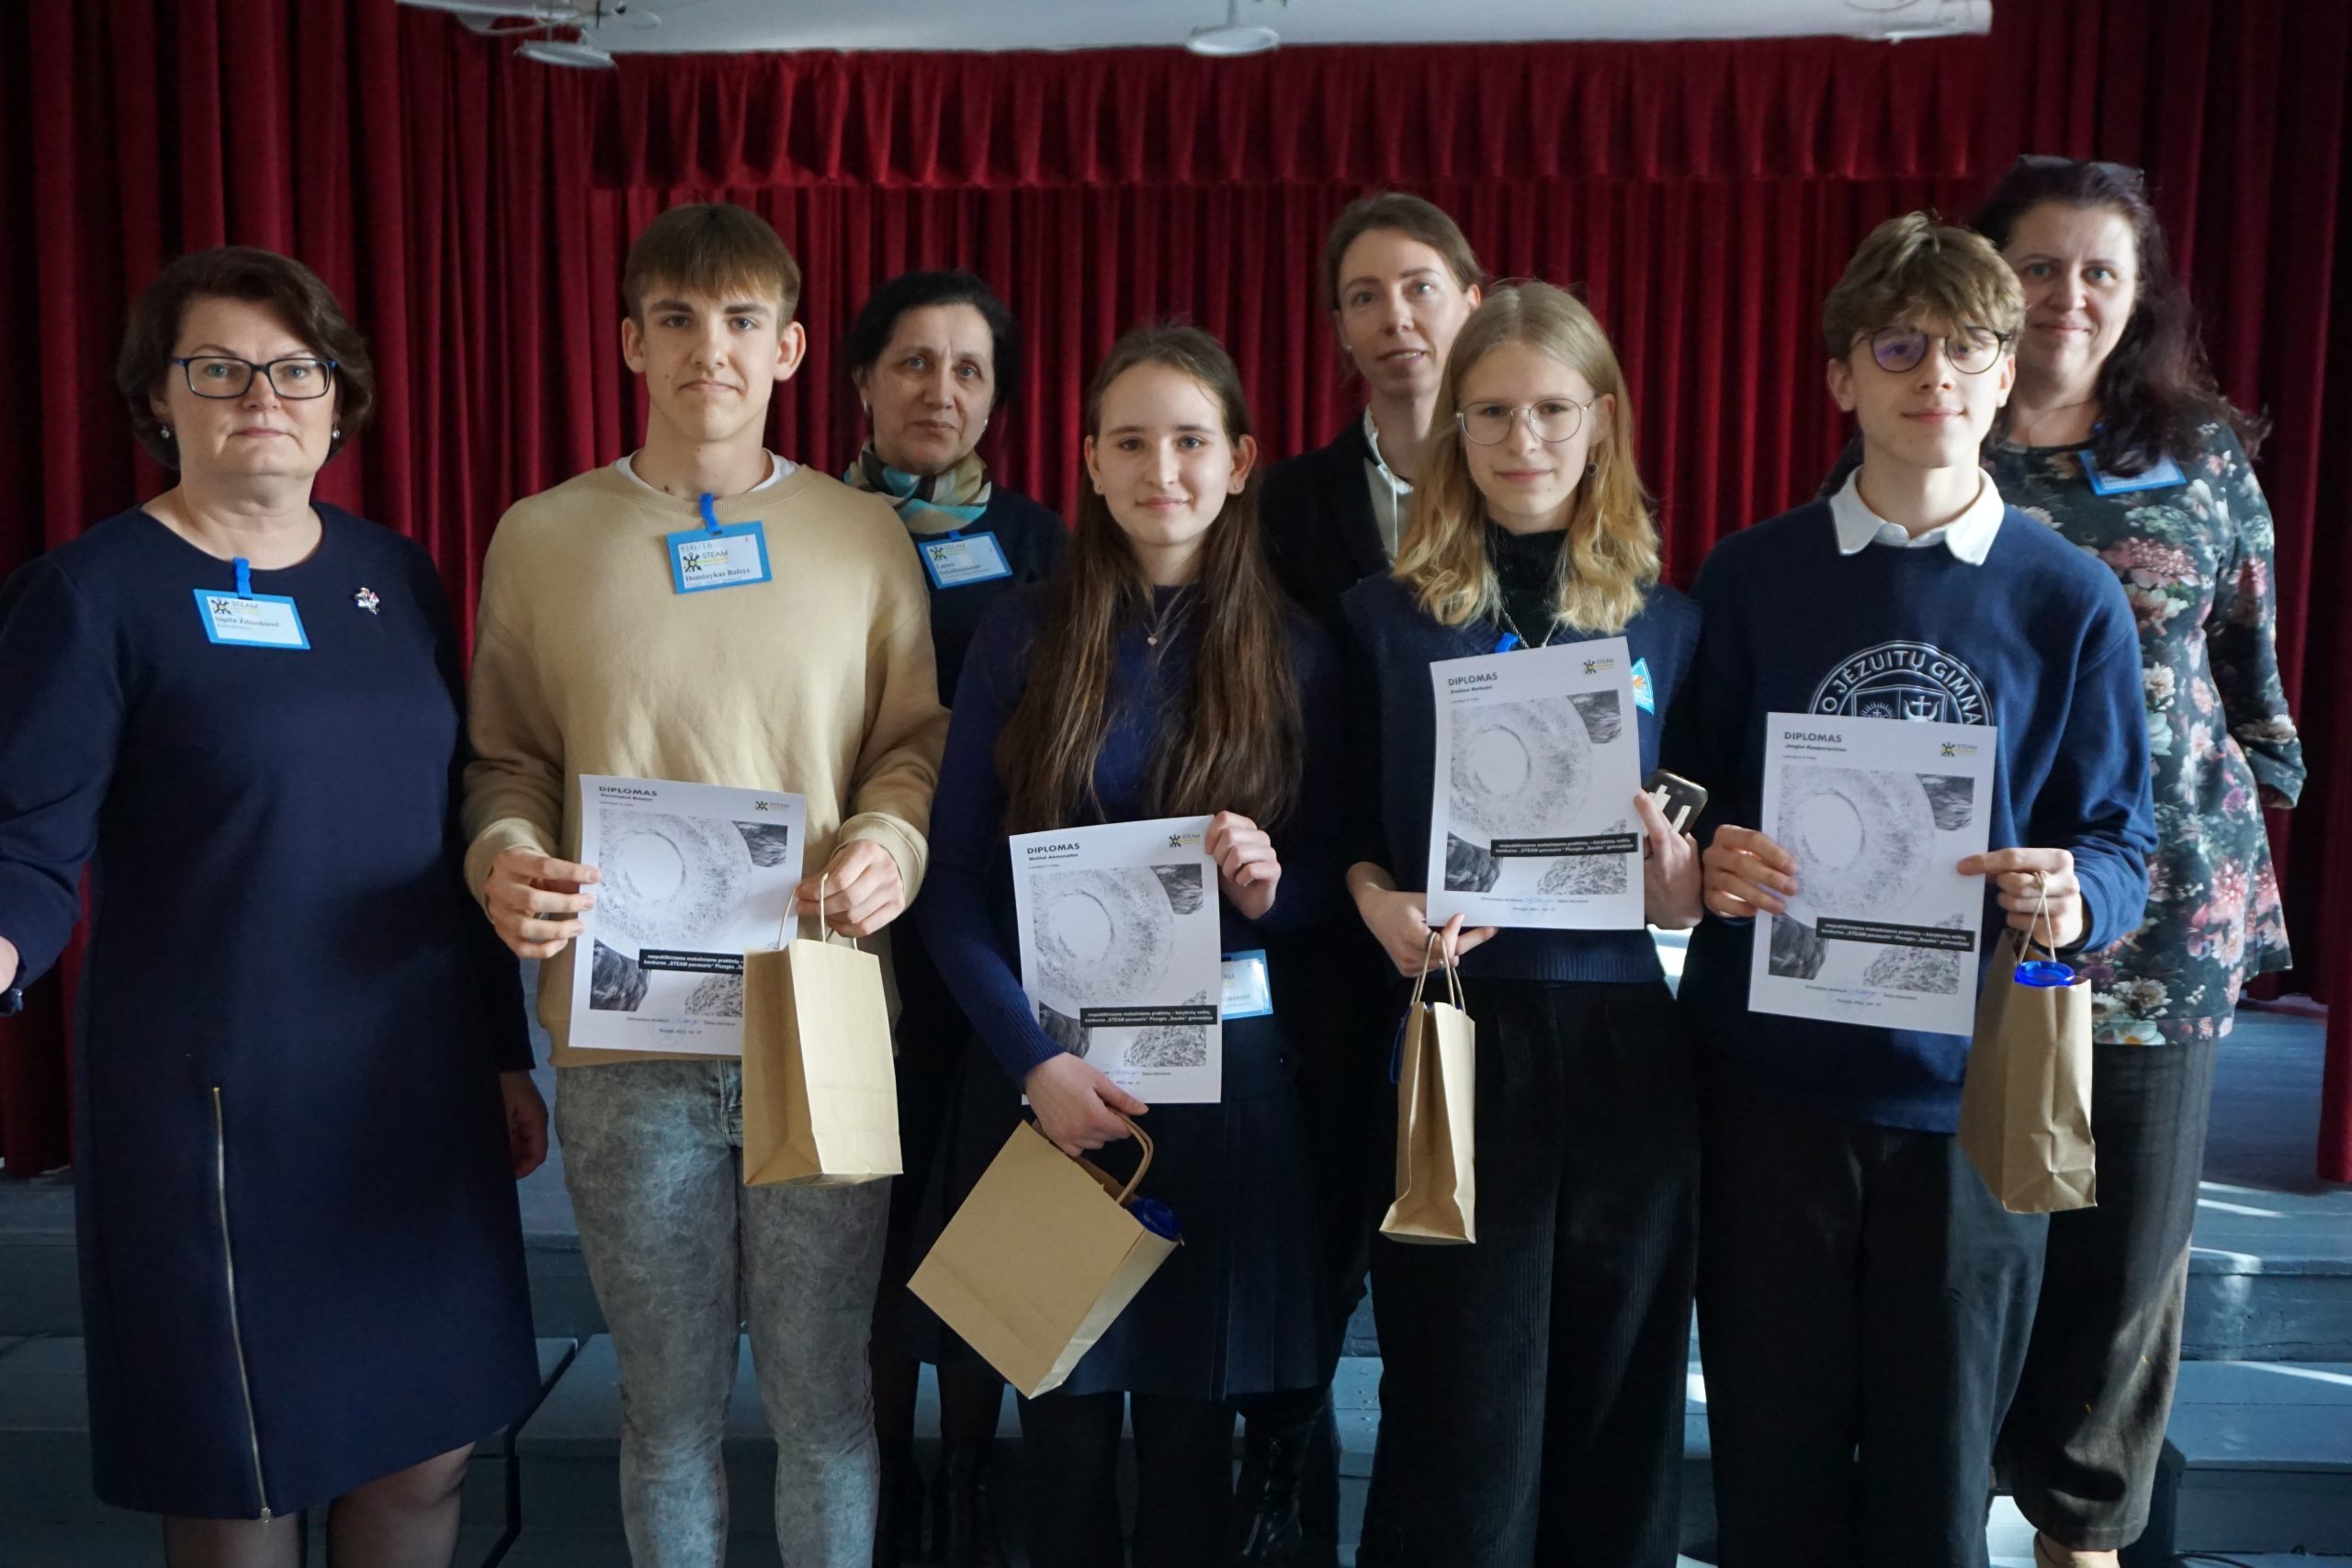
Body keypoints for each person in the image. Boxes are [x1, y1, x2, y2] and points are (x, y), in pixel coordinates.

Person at [0, 246, 543, 1567]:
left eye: (296, 370)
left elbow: (450, 827)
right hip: (218, 1106)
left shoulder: (395, 575)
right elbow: (28, 842)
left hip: (413, 1081)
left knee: (426, 1452)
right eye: (219, 368)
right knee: (243, 1475)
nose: (262, 396)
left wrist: (500, 1054)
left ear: (339, 400)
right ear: (158, 397)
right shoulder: (94, 594)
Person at [1667, 212, 2157, 1568]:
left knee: (1938, 1493)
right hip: (1770, 1090)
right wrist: (1710, 860)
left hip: (1971, 1102)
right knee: (1772, 1477)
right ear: (1842, 376)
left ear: (2006, 376)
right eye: (1898, 346)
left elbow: (2121, 844)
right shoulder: (1752, 575)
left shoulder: (2070, 598)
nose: (1934, 372)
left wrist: (2073, 896)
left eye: (1968, 347)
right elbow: (1684, 795)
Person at [461, 202, 948, 1568]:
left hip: (819, 1020)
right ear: (630, 341)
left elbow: (910, 746)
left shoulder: (863, 534)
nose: (708, 350)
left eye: (741, 320)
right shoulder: (543, 537)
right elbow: (506, 759)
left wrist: (890, 844)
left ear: (789, 347)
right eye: (676, 319)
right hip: (628, 1043)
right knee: (666, 1415)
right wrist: (503, 857)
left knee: (826, 1407)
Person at [916, 324, 1342, 1568]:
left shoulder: (1299, 651)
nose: (1164, 469)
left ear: (1241, 462)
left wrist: (1272, 886)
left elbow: (1328, 891)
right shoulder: (1020, 635)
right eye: (1133, 442)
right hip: (1052, 1085)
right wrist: (1033, 1066)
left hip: (1225, 1096)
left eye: (1192, 441)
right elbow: (955, 889)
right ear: (1091, 464)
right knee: (1060, 1450)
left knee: (1191, 1460)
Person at [1970, 155, 2305, 1568]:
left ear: (2139, 292)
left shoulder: (2200, 448)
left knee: (2131, 1255)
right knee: (1977, 1232)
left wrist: (2241, 801)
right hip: (1976, 905)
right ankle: (1948, 1487)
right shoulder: (1934, 435)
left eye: (2101, 270)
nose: (2070, 295)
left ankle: (2085, 1534)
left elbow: (2248, 655)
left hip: (2169, 911)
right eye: (2039, 266)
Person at [1341, 281, 1704, 1568]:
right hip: (1457, 1034)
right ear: (1454, 427)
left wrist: (1679, 886)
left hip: (1624, 1041)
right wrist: (1378, 902)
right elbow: (1341, 832)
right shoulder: (1383, 619)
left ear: (1600, 419)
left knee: (1618, 1397)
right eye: (1491, 412)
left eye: (1552, 409)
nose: (1522, 439)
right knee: (1461, 1406)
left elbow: (1699, 867)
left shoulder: (1673, 620)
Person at [1241, 190, 1487, 1568]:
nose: (1396, 318)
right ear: (1337, 328)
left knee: (1454, 1284)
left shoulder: (1532, 476)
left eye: (1420, 287)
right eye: (1364, 296)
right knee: (1321, 1233)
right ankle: (1285, 1504)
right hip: (1328, 930)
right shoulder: (1287, 505)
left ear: (1471, 298)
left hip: (1489, 940)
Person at [839, 267, 1064, 1568]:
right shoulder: (808, 526)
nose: (941, 389)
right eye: (914, 362)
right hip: (850, 927)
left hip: (991, 933)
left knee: (978, 1200)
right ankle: (883, 1482)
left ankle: (973, 1476)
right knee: (869, 1211)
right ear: (862, 381)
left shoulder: (1043, 543)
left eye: (969, 368)